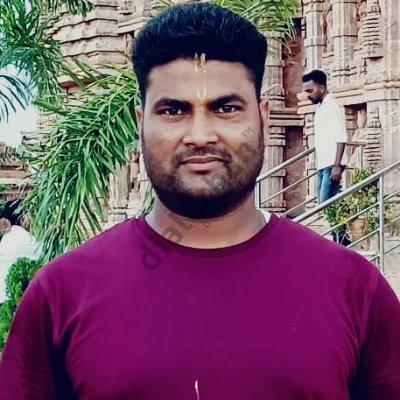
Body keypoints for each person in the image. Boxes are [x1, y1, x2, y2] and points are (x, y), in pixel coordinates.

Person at [1, 3, 400, 399]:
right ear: (141, 123)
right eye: (173, 110)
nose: (200, 135)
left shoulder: (355, 290)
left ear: (263, 118)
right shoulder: (62, 294)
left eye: (226, 108)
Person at [302, 69, 351, 245]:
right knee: (327, 202)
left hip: (332, 163)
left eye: (310, 90)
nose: (308, 95)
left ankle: (342, 240)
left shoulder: (332, 106)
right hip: (323, 163)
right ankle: (341, 238)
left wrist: (337, 165)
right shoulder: (321, 106)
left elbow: (341, 136)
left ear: (321, 87)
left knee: (327, 202)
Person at [0, 199, 42, 304]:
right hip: (12, 301)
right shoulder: (20, 236)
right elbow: (52, 252)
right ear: (23, 218)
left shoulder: (8, 237)